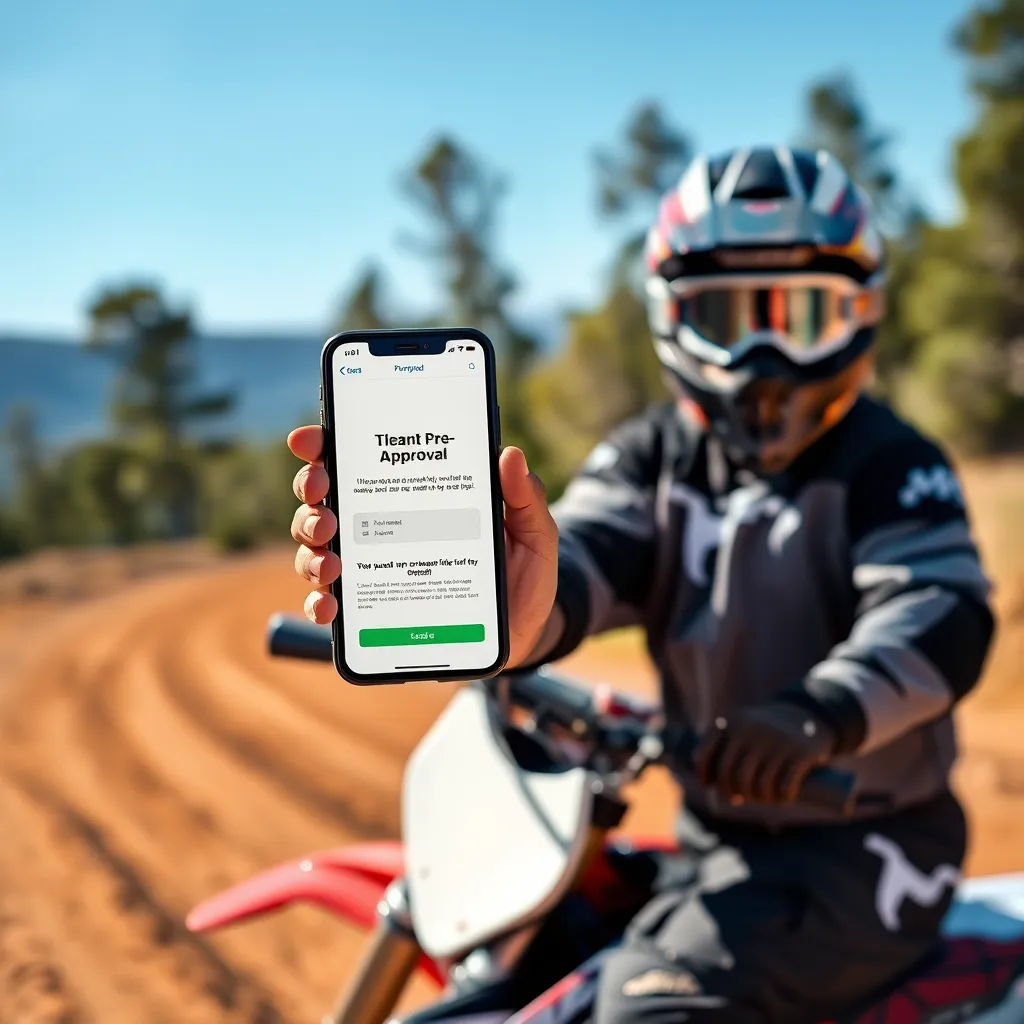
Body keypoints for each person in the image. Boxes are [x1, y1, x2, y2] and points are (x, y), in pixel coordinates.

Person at [287, 146, 995, 1023]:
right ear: (672, 319)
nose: (763, 356)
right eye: (727, 318)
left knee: (645, 1012)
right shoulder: (651, 455)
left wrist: (816, 715)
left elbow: (938, 613)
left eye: (800, 315)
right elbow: (587, 557)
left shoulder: (892, 465)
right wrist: (521, 611)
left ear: (861, 315)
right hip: (720, 844)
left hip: (870, 855)